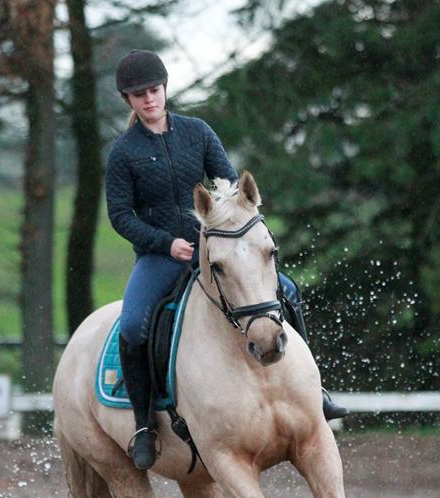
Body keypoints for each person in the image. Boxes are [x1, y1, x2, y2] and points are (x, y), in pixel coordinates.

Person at [106, 49, 348, 470]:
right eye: (139, 94)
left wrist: (231, 229)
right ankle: (145, 424)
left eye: (154, 90)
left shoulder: (198, 133)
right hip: (162, 257)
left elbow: (229, 183)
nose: (149, 100)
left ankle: (316, 391)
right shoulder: (124, 153)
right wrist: (165, 244)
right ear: (127, 100)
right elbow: (120, 216)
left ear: (165, 90)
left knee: (287, 290)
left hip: (218, 250)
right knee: (132, 326)